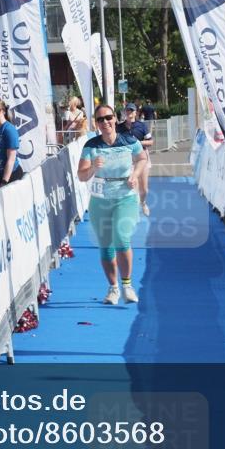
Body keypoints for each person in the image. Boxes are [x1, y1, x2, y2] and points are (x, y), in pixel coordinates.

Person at [78, 104, 148, 305]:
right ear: (96, 123)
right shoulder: (91, 146)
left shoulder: (129, 140)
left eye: (108, 117)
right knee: (106, 246)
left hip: (124, 196)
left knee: (121, 237)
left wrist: (134, 175)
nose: (105, 122)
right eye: (100, 119)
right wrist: (92, 167)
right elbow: (81, 175)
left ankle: (127, 285)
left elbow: (142, 159)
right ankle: (113, 288)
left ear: (115, 119)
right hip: (100, 200)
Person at [117, 103, 154, 215]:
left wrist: (138, 142)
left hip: (142, 157)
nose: (129, 113)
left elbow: (151, 142)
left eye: (132, 111)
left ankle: (143, 203)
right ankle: (133, 210)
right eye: (127, 111)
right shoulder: (119, 127)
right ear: (125, 112)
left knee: (144, 189)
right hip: (128, 159)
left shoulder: (142, 126)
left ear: (135, 113)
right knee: (133, 186)